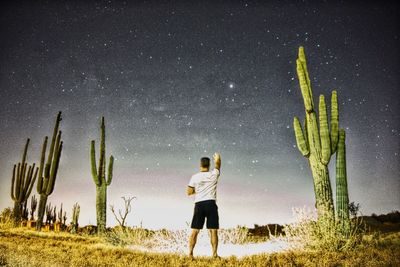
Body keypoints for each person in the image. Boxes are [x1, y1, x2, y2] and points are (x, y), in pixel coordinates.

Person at [187, 153, 221, 258]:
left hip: (199, 204)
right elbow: (218, 165)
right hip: (211, 203)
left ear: (200, 165)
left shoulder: (194, 177)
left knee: (195, 230)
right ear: (209, 165)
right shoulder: (213, 174)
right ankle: (214, 255)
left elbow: (189, 192)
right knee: (213, 230)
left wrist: (199, 190)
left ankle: (190, 254)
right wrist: (217, 159)